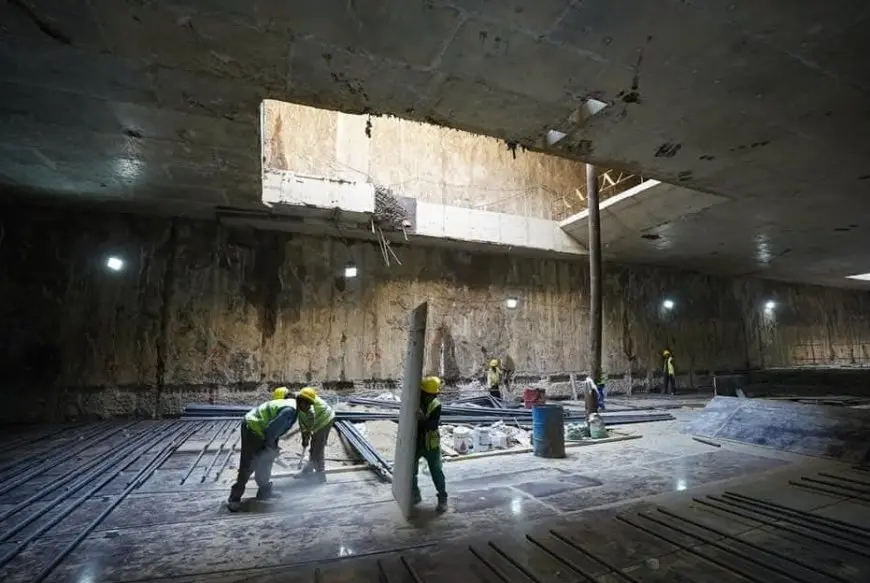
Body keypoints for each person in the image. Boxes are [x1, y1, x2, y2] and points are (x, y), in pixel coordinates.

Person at [227, 397, 298, 512]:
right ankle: (234, 498)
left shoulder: (293, 411)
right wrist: (271, 447)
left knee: (266, 459)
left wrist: (272, 448)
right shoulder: (288, 411)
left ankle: (264, 492)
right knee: (249, 463)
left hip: (262, 431)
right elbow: (270, 430)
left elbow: (276, 432)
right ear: (303, 403)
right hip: (252, 428)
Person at [413, 376, 448, 513]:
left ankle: (442, 498)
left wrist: (422, 419)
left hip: (430, 444)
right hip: (416, 442)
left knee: (436, 472)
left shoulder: (436, 405)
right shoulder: (416, 401)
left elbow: (432, 425)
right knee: (411, 471)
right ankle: (414, 494)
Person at [295, 386, 335, 482]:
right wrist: (304, 438)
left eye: (308, 405)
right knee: (314, 447)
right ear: (300, 401)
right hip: (317, 421)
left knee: (318, 448)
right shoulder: (296, 404)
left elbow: (309, 427)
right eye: (305, 405)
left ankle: (321, 475)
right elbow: (302, 423)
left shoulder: (310, 411)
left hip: (325, 420)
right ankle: (309, 469)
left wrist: (307, 435)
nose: (307, 407)